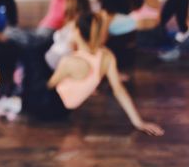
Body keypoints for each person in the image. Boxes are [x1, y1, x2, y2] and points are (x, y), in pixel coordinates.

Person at [20, 13, 164, 136]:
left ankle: (16, 95)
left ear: (77, 32)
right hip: (65, 111)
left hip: (47, 107)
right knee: (39, 50)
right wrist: (138, 122)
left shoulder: (70, 61)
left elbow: (49, 85)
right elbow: (119, 90)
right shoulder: (107, 56)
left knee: (31, 52)